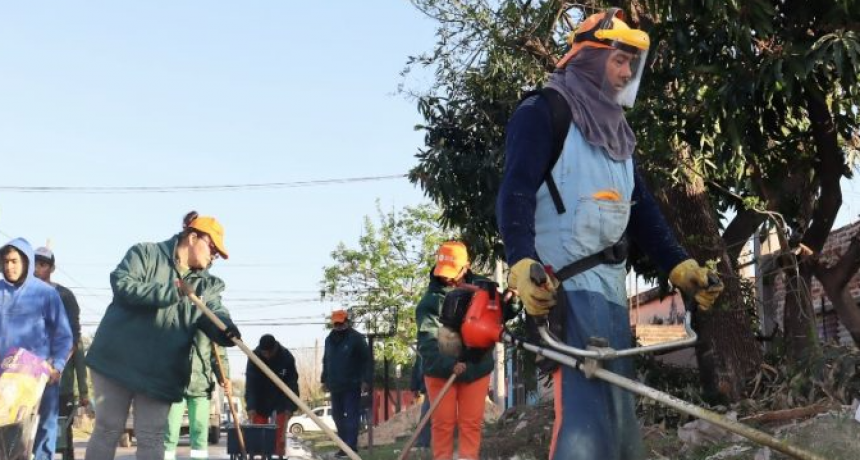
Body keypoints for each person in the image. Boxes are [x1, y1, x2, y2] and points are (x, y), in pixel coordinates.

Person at [497, 9, 724, 460]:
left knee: (618, 421)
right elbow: (515, 191)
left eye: (631, 65)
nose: (625, 73)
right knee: (584, 422)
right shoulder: (544, 111)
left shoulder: (617, 131)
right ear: (588, 57)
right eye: (619, 60)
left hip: (609, 294)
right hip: (564, 289)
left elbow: (641, 211)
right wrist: (521, 260)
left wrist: (678, 265)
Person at [84, 211, 241, 460]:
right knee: (107, 429)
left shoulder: (207, 285)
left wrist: (226, 329)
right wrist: (174, 291)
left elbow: (215, 311)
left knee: (152, 436)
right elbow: (122, 284)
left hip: (161, 371)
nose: (214, 258)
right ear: (192, 237)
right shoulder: (145, 254)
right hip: (117, 362)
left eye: (217, 255)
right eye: (212, 249)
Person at [415, 241, 499, 460]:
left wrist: (511, 301)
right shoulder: (429, 303)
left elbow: (499, 316)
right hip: (441, 372)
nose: (449, 279)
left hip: (476, 367)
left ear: (467, 266)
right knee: (443, 424)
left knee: (471, 423)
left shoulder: (484, 289)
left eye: (453, 273)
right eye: (444, 274)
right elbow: (428, 343)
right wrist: (448, 364)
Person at [0, 238, 73, 460]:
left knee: (42, 436)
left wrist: (57, 367)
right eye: (5, 262)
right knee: (6, 440)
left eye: (14, 261)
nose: (9, 267)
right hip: (4, 381)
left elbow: (64, 336)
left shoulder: (45, 294)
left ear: (26, 261)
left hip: (38, 379)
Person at [33, 246, 89, 460]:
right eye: (34, 264)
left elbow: (74, 340)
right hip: (28, 379)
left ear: (52, 268)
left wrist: (82, 389)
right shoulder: (23, 293)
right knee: (25, 436)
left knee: (61, 439)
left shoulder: (64, 296)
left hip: (59, 379)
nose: (37, 269)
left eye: (43, 264)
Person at [163, 333, 230, 460]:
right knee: (170, 431)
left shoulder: (209, 326)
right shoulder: (174, 317)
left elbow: (219, 355)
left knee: (200, 432)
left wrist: (224, 376)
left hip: (201, 387)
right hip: (175, 386)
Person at [321, 309, 372, 458]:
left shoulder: (356, 338)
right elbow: (326, 360)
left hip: (352, 384)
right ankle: (343, 446)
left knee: (351, 416)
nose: (338, 326)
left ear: (347, 322)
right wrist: (324, 379)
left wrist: (365, 380)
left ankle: (351, 447)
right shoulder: (329, 339)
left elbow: (366, 360)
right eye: (336, 323)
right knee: (337, 415)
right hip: (335, 385)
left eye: (341, 323)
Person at [245, 334, 299, 458]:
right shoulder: (254, 357)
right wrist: (251, 406)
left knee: (279, 430)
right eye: (265, 353)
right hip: (260, 396)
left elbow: (292, 383)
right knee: (259, 430)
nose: (267, 355)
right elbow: (250, 384)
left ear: (275, 348)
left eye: (270, 352)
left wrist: (290, 407)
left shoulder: (286, 357)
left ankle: (279, 454)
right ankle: (261, 454)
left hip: (280, 396)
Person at [408, 353, 431, 450]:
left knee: (426, 415)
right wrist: (415, 387)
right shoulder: (421, 350)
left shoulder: (432, 345)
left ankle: (423, 442)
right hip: (429, 388)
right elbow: (417, 368)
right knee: (425, 415)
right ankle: (423, 442)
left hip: (437, 385)